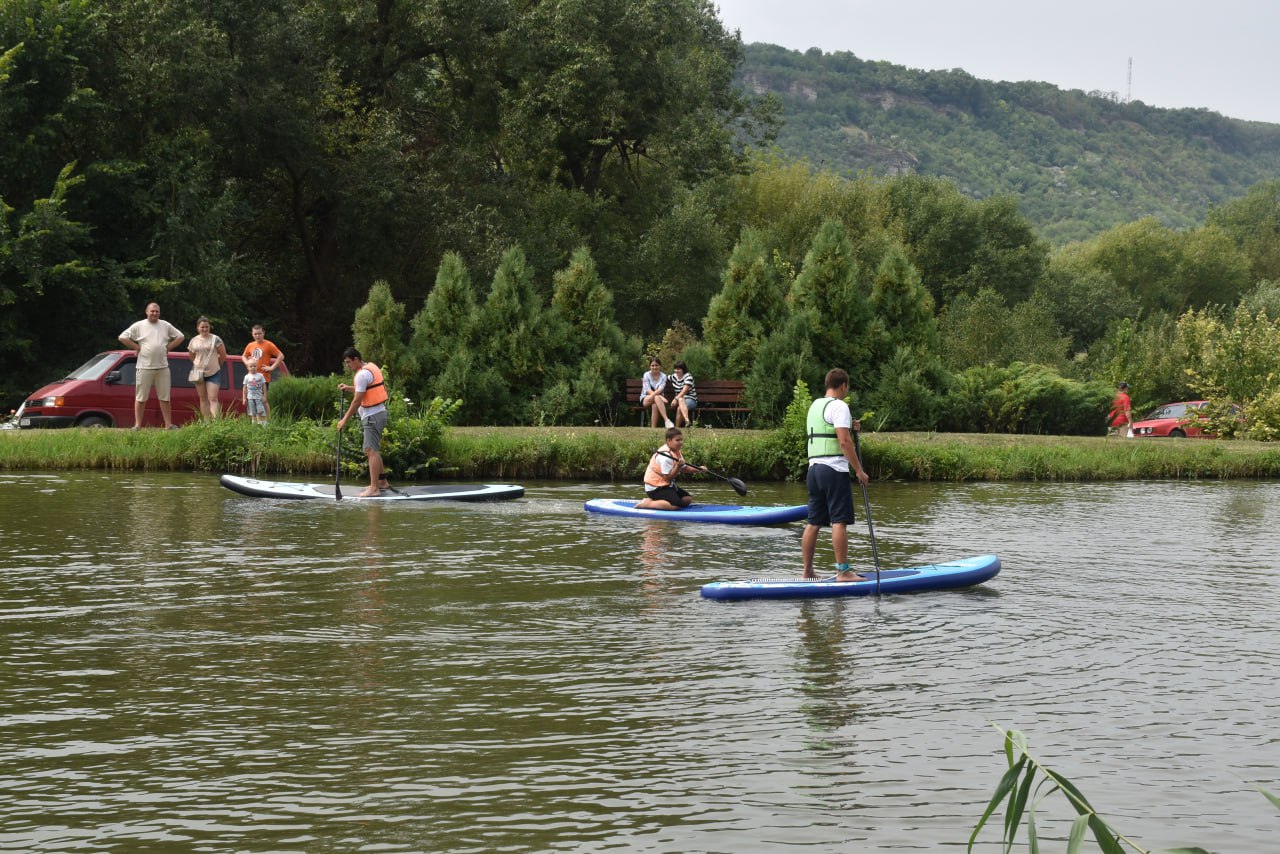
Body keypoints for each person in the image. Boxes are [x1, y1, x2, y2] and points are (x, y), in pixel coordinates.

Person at [802, 368, 871, 582]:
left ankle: (807, 571)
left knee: (814, 522)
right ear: (843, 385)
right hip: (833, 470)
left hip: (814, 470)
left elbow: (830, 430)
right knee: (839, 521)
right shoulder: (840, 406)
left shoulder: (815, 405)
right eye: (846, 387)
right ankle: (843, 572)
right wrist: (859, 470)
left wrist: (852, 427)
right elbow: (844, 442)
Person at [118, 302, 184, 429]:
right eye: (152, 311)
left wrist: (169, 347)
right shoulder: (139, 325)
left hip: (162, 367)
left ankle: (168, 425)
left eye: (157, 311)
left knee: (165, 398)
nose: (154, 313)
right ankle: (137, 425)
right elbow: (122, 337)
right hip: (144, 367)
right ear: (147, 312)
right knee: (141, 397)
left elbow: (180, 337)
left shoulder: (165, 325)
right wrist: (136, 347)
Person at [337, 347, 390, 497]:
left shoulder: (361, 374)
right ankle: (382, 482)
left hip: (372, 417)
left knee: (371, 451)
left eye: (349, 362)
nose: (348, 365)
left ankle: (374, 489)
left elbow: (356, 401)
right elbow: (365, 389)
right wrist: (348, 388)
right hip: (379, 413)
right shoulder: (371, 367)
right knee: (373, 449)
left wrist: (344, 420)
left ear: (356, 359)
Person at [635, 427, 707, 510]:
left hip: (666, 485)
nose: (681, 443)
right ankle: (648, 503)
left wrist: (699, 469)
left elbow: (685, 468)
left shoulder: (676, 451)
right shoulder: (665, 457)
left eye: (681, 440)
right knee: (675, 506)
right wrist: (678, 466)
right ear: (669, 441)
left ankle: (659, 502)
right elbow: (667, 478)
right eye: (678, 440)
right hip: (655, 488)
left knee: (687, 499)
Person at [241, 324, 286, 420]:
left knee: (262, 399)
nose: (257, 336)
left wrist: (272, 367)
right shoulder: (250, 345)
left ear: (263, 333)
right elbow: (243, 356)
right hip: (251, 377)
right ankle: (255, 421)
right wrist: (247, 363)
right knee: (252, 399)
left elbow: (281, 356)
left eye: (259, 333)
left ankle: (267, 420)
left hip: (263, 377)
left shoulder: (268, 344)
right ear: (252, 334)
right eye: (255, 334)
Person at [187, 316, 228, 419]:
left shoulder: (216, 339)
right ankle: (206, 422)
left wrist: (217, 364)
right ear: (198, 328)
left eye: (206, 327)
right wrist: (198, 365)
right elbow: (191, 356)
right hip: (198, 373)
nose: (204, 329)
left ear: (209, 327)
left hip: (214, 372)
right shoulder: (193, 340)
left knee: (213, 398)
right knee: (203, 398)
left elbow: (223, 354)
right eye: (202, 327)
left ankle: (216, 422)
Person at [640, 358, 673, 428]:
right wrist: (660, 397)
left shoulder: (663, 376)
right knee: (657, 397)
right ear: (650, 366)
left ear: (660, 366)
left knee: (655, 404)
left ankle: (653, 428)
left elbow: (661, 389)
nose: (654, 367)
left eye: (656, 365)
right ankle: (666, 420)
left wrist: (658, 396)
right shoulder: (646, 375)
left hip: (657, 400)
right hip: (646, 398)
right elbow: (647, 390)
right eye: (652, 365)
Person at [669, 361, 697, 428]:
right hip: (680, 400)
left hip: (691, 400)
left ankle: (678, 426)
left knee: (680, 402)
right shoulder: (673, 377)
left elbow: (684, 392)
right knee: (680, 405)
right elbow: (663, 377)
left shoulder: (688, 377)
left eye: (679, 369)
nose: (676, 371)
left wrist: (675, 399)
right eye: (675, 369)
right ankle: (686, 422)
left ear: (683, 369)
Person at [242, 360, 268, 425]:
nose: (253, 367)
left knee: (261, 411)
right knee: (252, 412)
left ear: (257, 366)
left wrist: (265, 396)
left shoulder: (260, 376)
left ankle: (263, 424)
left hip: (259, 397)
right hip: (250, 398)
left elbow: (264, 386)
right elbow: (244, 388)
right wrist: (244, 398)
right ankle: (254, 425)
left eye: (254, 366)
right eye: (251, 366)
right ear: (247, 367)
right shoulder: (246, 377)